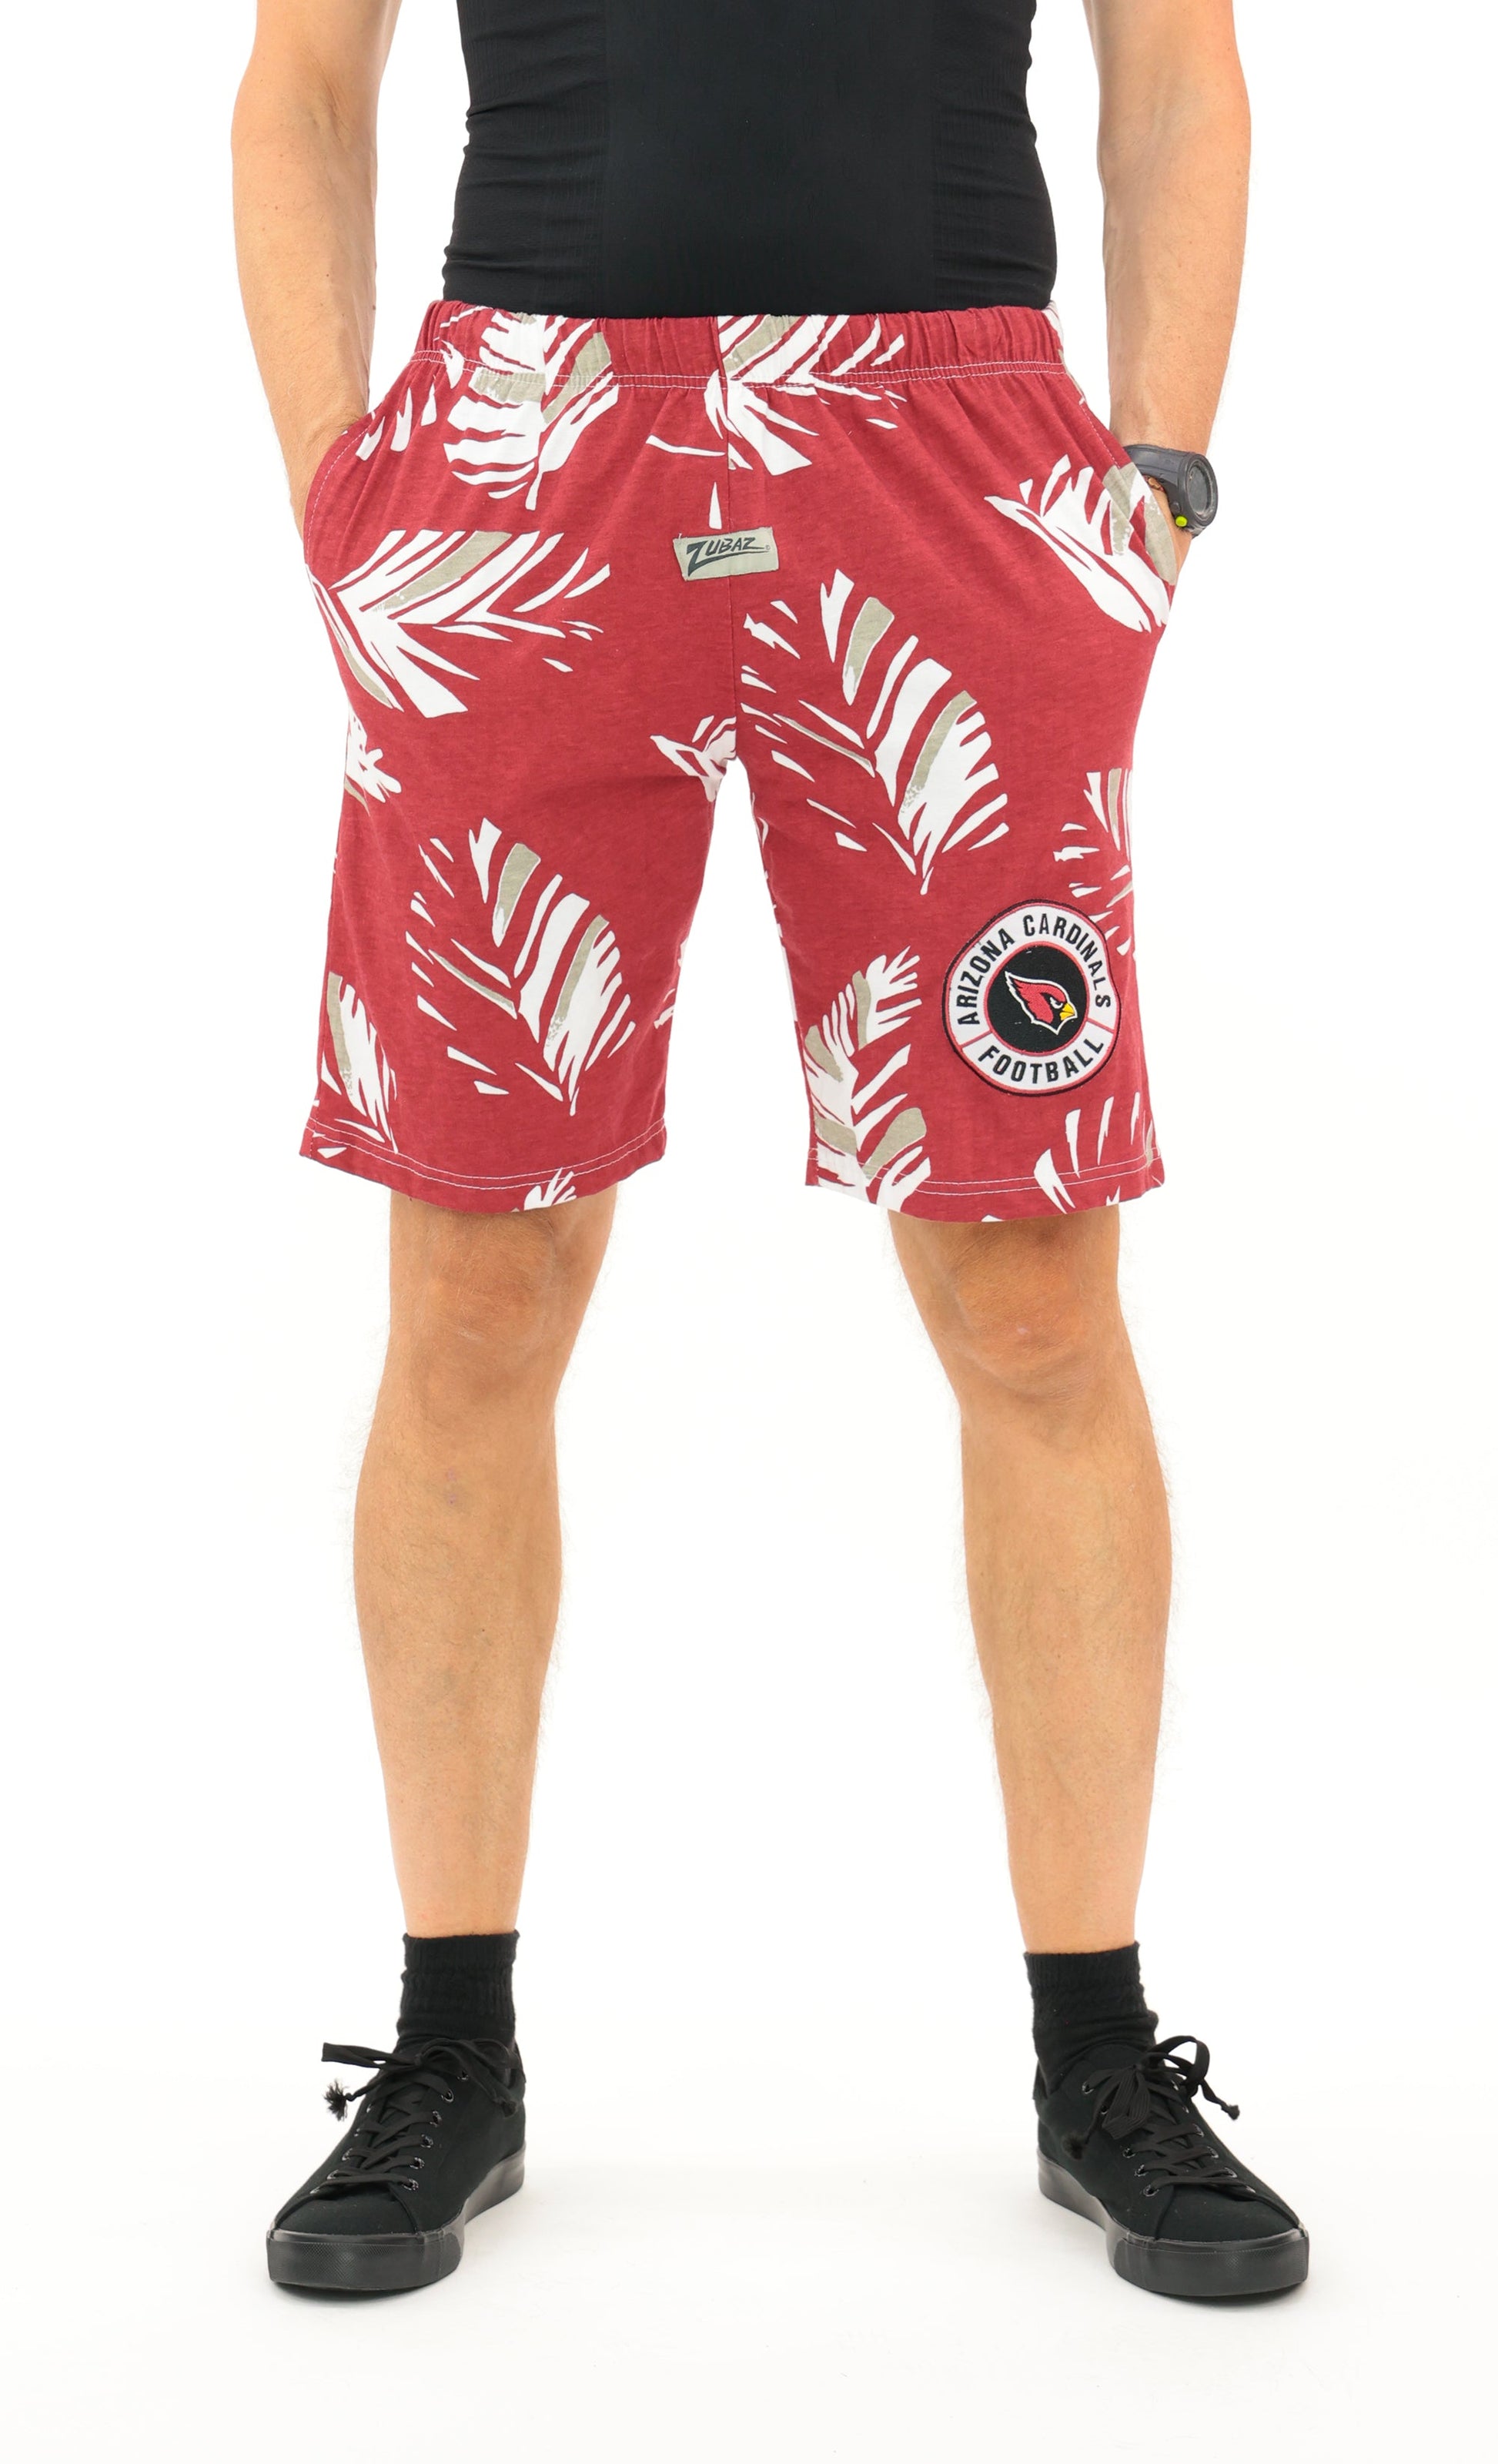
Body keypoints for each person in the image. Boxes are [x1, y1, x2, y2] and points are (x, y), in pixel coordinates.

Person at [235, 0, 1306, 2301]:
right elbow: (305, 83)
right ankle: (449, 2052)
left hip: (957, 456)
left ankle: (1099, 2061)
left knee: (1032, 1298)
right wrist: (342, 486)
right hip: (521, 454)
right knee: (476, 1286)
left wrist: (1159, 478)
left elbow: (1174, 66)